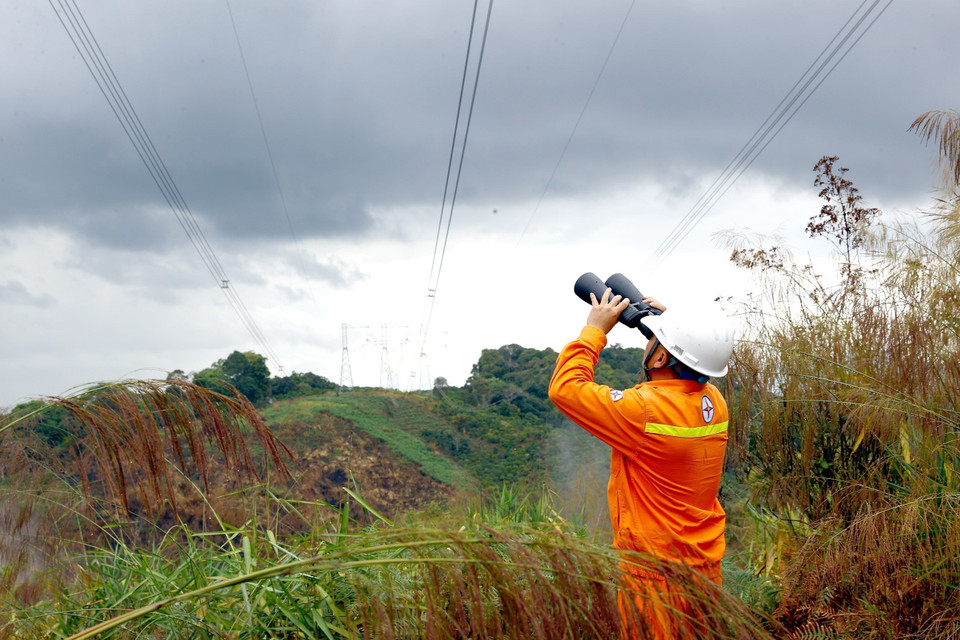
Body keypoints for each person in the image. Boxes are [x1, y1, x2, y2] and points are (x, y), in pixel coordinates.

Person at [547, 288, 735, 639]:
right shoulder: (715, 402)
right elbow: (680, 376)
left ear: (661, 358)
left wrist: (595, 330)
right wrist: (669, 329)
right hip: (705, 568)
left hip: (655, 577)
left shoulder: (642, 412)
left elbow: (565, 388)